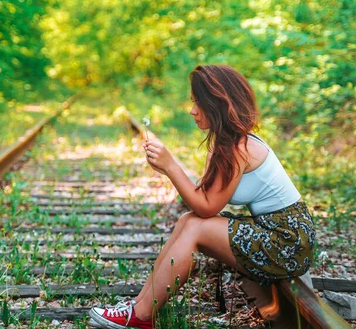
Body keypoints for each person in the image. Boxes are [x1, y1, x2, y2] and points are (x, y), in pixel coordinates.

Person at [89, 64, 316, 329]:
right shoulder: (227, 142)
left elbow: (207, 207)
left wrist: (171, 167)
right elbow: (201, 200)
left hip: (286, 240)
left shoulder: (237, 147)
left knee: (196, 227)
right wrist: (167, 167)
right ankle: (139, 308)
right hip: (278, 231)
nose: (192, 110)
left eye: (198, 103)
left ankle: (141, 316)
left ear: (217, 105)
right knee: (188, 221)